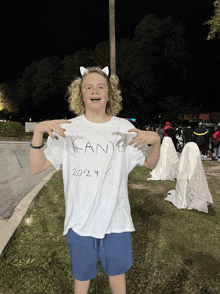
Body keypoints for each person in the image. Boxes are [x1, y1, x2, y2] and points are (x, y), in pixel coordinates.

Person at [29, 66, 161, 294]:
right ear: (81, 94)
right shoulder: (68, 129)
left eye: (101, 86)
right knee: (81, 276)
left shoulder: (123, 128)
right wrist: (37, 133)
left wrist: (156, 142)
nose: (95, 90)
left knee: (117, 274)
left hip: (116, 220)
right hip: (80, 221)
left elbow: (149, 164)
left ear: (109, 93)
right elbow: (36, 167)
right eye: (88, 87)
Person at [165, 142, 213, 213]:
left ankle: (185, 198)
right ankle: (190, 197)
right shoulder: (196, 166)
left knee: (187, 179)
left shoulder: (183, 165)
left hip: (184, 180)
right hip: (189, 179)